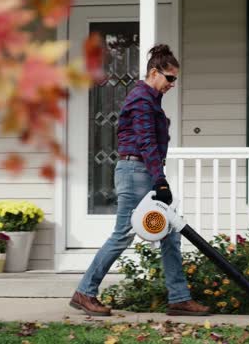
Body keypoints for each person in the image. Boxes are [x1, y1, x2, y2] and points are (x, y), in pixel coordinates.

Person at [69, 44, 210, 317]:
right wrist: (160, 181)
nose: (172, 84)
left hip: (143, 171)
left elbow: (151, 146)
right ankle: (85, 291)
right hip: (136, 173)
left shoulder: (150, 99)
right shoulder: (142, 99)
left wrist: (159, 178)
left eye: (175, 80)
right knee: (123, 234)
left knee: (170, 233)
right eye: (169, 78)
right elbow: (146, 143)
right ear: (154, 72)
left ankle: (179, 298)